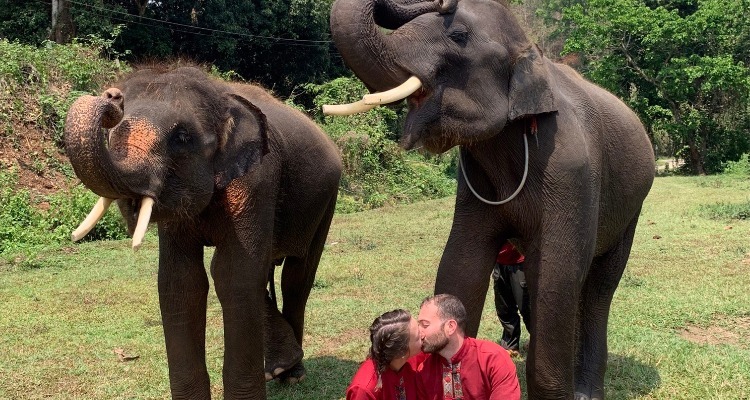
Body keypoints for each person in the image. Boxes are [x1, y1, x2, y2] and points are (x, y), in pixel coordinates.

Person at [415, 294, 520, 400]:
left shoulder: (493, 359)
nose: (419, 333)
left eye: (425, 325)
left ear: (450, 327)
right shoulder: (424, 370)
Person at [346, 309, 426, 400]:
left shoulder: (414, 356)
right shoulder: (364, 389)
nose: (423, 335)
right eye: (418, 337)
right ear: (401, 352)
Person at [492, 241, 531, 356]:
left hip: (520, 264)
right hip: (499, 264)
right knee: (504, 307)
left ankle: (538, 341)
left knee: (527, 308)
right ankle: (511, 345)